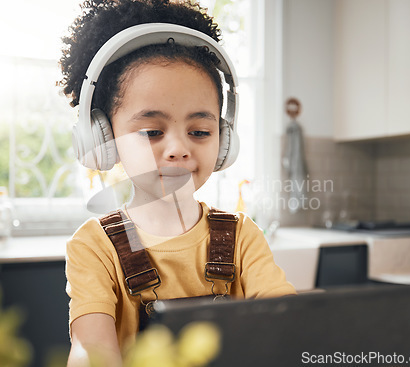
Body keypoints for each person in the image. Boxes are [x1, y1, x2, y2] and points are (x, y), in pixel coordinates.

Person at [59, 0, 296, 365]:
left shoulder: (243, 237)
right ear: (104, 140)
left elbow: (287, 325)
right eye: (152, 131)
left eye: (200, 131)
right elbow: (92, 348)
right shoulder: (94, 248)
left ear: (224, 142)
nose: (178, 149)